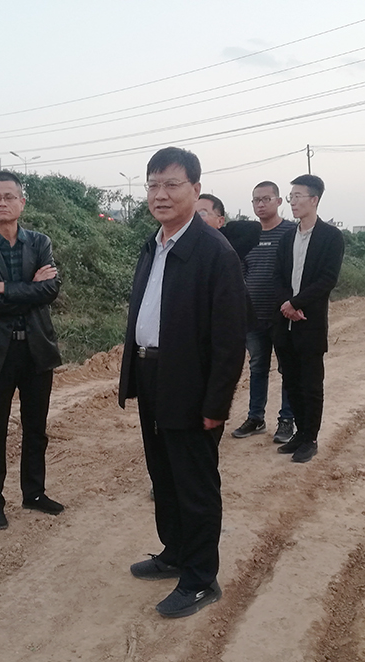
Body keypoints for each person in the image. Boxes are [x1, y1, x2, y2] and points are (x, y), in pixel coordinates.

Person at [120, 147, 246, 618]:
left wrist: (216, 404)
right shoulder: (153, 245)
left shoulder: (214, 252)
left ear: (195, 189)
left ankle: (200, 578)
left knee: (195, 484)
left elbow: (230, 340)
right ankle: (174, 552)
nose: (161, 194)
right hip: (152, 373)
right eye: (153, 185)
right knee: (164, 475)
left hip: (190, 383)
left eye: (171, 184)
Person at [0, 170, 63, 532]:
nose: (3, 202)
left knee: (36, 428)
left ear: (22, 202)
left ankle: (34, 493)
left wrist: (5, 287)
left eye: (9, 196)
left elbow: (50, 290)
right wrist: (27, 289)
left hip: (36, 348)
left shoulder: (39, 243)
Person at [272, 174, 344, 463]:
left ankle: (310, 438)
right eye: (291, 197)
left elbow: (327, 279)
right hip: (285, 321)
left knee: (311, 384)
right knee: (290, 380)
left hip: (309, 321)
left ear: (314, 199)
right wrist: (286, 304)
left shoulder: (331, 237)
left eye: (298, 196)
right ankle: (300, 433)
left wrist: (296, 303)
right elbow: (277, 277)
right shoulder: (287, 237)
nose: (292, 202)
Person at [232, 181, 297, 443]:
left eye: (266, 199)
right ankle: (255, 417)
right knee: (257, 367)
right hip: (253, 315)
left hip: (283, 315)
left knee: (287, 369)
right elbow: (241, 270)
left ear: (279, 201)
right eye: (256, 200)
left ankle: (287, 420)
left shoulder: (291, 232)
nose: (260, 204)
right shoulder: (248, 234)